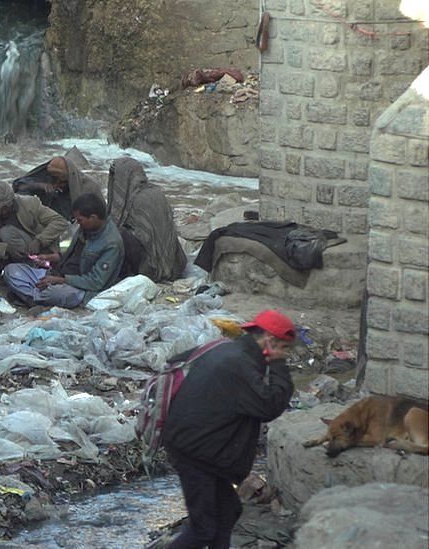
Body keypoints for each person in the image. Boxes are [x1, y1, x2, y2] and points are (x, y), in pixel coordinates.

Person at [161, 310, 296, 549]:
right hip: (196, 454)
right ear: (270, 342)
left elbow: (176, 360)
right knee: (203, 530)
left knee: (228, 513)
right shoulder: (239, 365)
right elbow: (270, 405)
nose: (285, 355)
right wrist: (277, 364)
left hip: (201, 448)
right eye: (284, 349)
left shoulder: (226, 349)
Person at [3, 193, 124, 308]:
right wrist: (47, 258)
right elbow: (70, 256)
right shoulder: (87, 227)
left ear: (93, 218)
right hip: (58, 274)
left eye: (80, 220)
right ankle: (36, 297)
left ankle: (32, 296)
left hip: (80, 288)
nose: (78, 223)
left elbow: (95, 282)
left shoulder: (111, 243)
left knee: (54, 293)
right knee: (11, 270)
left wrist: (61, 281)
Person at [107, 157, 187, 282]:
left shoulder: (136, 200)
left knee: (118, 234)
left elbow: (143, 237)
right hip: (175, 263)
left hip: (151, 266)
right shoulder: (156, 191)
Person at [0, 181, 69, 269]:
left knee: (6, 232)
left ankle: (36, 265)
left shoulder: (30, 204)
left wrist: (40, 240)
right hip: (13, 255)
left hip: (40, 248)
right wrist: (6, 248)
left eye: (6, 206)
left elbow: (59, 221)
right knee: (5, 233)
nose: (3, 211)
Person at [12, 147, 102, 220]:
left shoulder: (89, 186)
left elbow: (99, 215)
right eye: (54, 179)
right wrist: (39, 186)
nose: (57, 183)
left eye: (61, 181)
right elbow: (19, 186)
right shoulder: (46, 179)